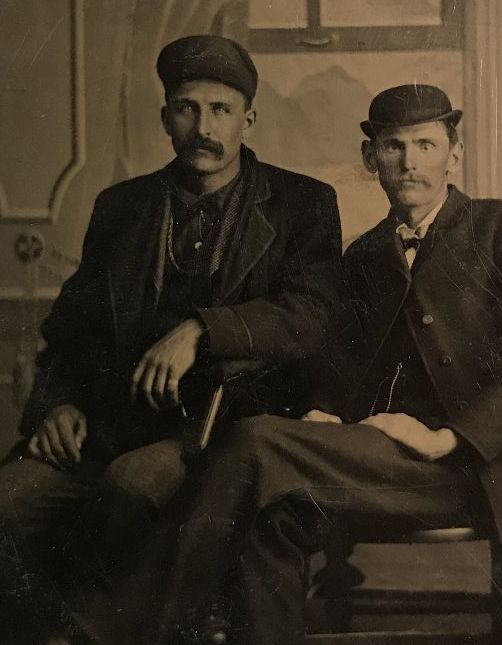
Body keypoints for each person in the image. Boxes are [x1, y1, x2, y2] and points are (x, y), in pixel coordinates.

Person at [136, 84, 502, 645]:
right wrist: (323, 409)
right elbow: (337, 365)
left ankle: (140, 631)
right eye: (393, 147)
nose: (410, 161)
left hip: (481, 470)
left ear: (455, 153)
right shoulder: (366, 254)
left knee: (255, 445)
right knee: (271, 510)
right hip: (385, 464)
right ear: (371, 159)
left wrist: (450, 438)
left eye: (425, 144)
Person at [0, 35, 342, 645]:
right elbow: (70, 332)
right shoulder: (121, 208)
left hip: (221, 434)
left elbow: (312, 314)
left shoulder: (302, 204)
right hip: (106, 427)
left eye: (221, 110)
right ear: (165, 118)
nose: (202, 127)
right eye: (186, 108)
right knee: (11, 498)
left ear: (248, 119)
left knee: (132, 489)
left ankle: (108, 631)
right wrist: (56, 406)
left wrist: (203, 329)